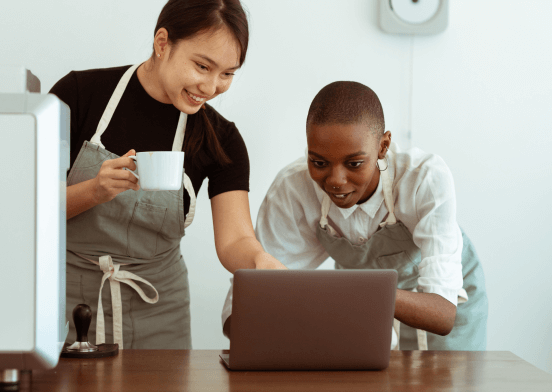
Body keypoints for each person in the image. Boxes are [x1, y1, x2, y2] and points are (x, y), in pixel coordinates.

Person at [50, 0, 286, 350]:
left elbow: (235, 239)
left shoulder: (222, 140)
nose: (211, 87)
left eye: (227, 73)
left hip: (160, 310)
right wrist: (94, 190)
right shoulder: (78, 96)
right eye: (202, 66)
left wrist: (258, 261)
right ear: (162, 43)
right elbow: (30, 210)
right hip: (66, 302)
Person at [221, 81, 488, 350]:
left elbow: (443, 315)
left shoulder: (424, 178)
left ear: (383, 146)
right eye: (319, 162)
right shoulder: (293, 190)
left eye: (354, 164)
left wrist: (349, 293)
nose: (336, 180)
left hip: (446, 303)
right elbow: (246, 305)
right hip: (366, 310)